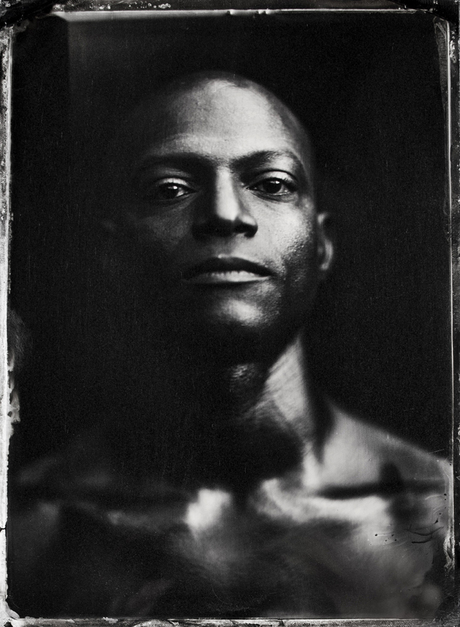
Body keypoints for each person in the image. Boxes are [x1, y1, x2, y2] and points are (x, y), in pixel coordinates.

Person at [8, 72, 451, 619]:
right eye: (171, 189)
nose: (224, 213)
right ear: (112, 253)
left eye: (272, 184)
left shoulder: (439, 517)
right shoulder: (27, 532)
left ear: (322, 244)